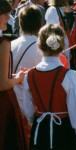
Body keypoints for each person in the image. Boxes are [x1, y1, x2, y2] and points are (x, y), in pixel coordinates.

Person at [22, 24, 76, 150]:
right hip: (65, 134)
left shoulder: (29, 75)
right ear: (62, 46)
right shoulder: (69, 75)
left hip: (39, 133)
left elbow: (27, 111)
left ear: (39, 45)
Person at [11, 5, 43, 147]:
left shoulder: (9, 45)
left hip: (10, 103)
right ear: (39, 24)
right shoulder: (42, 49)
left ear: (20, 23)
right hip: (31, 106)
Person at [0, 0, 27, 149]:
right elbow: (2, 84)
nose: (9, 18)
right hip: (3, 105)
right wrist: (18, 78)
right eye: (5, 14)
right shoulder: (3, 42)